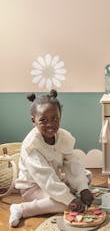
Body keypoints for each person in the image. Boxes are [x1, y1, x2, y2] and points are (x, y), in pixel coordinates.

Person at [9, 89, 93, 227]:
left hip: (54, 179)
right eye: (43, 120)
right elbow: (45, 178)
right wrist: (69, 200)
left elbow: (72, 163)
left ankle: (69, 194)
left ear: (60, 117)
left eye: (55, 118)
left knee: (86, 176)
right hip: (33, 187)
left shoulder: (63, 137)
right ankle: (21, 209)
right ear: (33, 121)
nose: (50, 124)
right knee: (64, 204)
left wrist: (83, 189)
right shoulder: (31, 146)